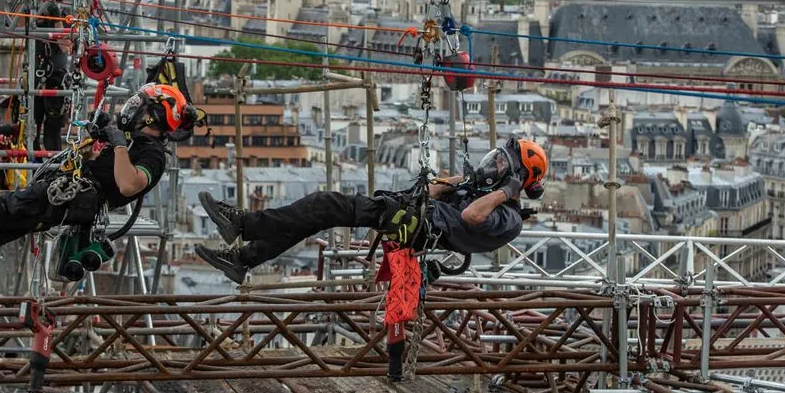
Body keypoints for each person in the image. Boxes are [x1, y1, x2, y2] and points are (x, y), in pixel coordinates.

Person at [0, 82, 195, 322]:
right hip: (60, 199)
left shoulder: (152, 154)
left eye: (139, 105)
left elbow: (128, 185)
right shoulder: (134, 144)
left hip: (57, 201)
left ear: (152, 114)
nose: (132, 109)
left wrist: (119, 146)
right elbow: (100, 168)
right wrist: (100, 143)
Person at [195, 137, 548, 284]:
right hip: (409, 215)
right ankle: (245, 259)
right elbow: (431, 190)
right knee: (318, 215)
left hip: (415, 226)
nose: (494, 165)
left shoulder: (509, 217)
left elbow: (471, 218)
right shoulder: (483, 193)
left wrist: (505, 192)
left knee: (323, 204)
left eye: (502, 163)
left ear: (517, 178)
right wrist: (470, 178)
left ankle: (242, 224)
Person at [33, 0, 72, 151]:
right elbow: (17, 27)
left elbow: (65, 46)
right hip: (35, 75)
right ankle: (32, 163)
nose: (53, 3)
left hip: (56, 77)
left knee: (53, 126)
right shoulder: (35, 20)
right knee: (32, 124)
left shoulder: (66, 19)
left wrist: (57, 20)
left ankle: (52, 162)